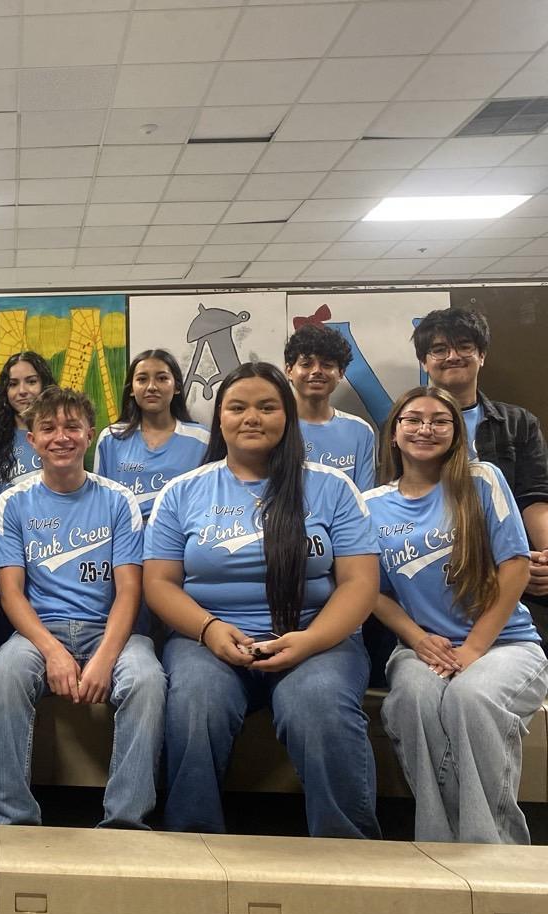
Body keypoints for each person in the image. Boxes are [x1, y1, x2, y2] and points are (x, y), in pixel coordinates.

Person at [145, 362, 382, 839]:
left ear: (287, 416)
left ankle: (348, 851)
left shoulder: (333, 488)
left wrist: (310, 640)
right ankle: (192, 842)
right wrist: (209, 629)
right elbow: (160, 584)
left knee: (317, 704)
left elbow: (359, 582)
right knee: (195, 702)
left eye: (267, 407)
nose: (251, 417)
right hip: (207, 640)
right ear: (220, 418)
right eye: (237, 407)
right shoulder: (182, 492)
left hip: (316, 640)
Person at [367, 386, 548, 844]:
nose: (425, 428)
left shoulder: (482, 478)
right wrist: (417, 639)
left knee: (470, 698)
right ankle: (440, 846)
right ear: (394, 433)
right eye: (413, 419)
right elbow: (370, 592)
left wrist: (473, 648)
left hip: (504, 644)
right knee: (411, 700)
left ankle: (491, 849)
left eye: (439, 421)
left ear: (456, 432)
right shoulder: (370, 505)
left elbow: (516, 566)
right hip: (423, 647)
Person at [0, 386, 165, 829]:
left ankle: (125, 822)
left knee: (147, 679)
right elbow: (11, 594)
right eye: (48, 428)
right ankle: (12, 819)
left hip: (109, 630)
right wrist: (53, 652)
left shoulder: (118, 499)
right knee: (4, 675)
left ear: (90, 434)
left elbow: (129, 591)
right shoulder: (12, 501)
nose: (60, 437)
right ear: (32, 440)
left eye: (71, 427)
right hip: (39, 632)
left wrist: (103, 658)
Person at [412, 307, 548, 609]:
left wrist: (545, 556)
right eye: (439, 349)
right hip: (434, 564)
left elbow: (534, 497)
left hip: (511, 558)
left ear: (482, 355)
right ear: (424, 362)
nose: (453, 356)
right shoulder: (406, 429)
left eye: (464, 346)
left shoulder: (518, 423)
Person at [93, 349, 209, 518]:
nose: (152, 387)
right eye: (142, 379)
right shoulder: (110, 438)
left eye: (162, 378)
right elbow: (100, 502)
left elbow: (209, 503)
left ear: (177, 387)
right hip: (125, 533)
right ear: (131, 389)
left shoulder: (202, 440)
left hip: (183, 533)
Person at [283, 324, 376, 491]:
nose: (317, 371)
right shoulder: (275, 425)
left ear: (341, 373)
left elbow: (363, 499)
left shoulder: (360, 431)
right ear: (289, 371)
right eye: (306, 364)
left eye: (326, 365)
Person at [0, 352, 55, 505]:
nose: (22, 391)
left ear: (45, 385)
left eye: (31, 381)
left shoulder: (59, 435)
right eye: (13, 384)